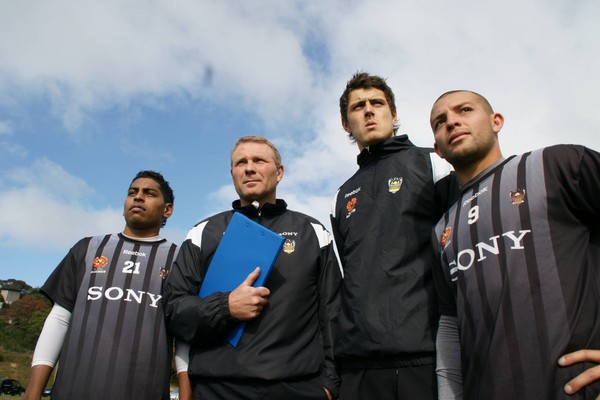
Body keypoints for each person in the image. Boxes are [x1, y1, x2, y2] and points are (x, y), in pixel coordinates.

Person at [430, 90, 600, 399]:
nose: (452, 122)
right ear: (437, 149)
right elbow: (450, 324)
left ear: (496, 121)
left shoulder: (558, 165)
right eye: (440, 121)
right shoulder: (442, 230)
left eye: (464, 110)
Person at [162, 135, 342, 400]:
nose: (249, 168)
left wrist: (329, 385)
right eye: (240, 162)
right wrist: (226, 307)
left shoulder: (313, 232)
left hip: (297, 389)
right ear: (232, 173)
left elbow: (333, 313)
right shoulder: (203, 233)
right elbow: (173, 309)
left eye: (259, 160)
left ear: (279, 172)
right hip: (218, 390)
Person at [330, 72, 458, 400]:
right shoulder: (343, 195)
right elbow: (350, 276)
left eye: (377, 103)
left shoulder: (433, 165)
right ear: (346, 124)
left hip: (422, 359)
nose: (369, 111)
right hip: (357, 366)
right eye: (359, 107)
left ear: (394, 113)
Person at [23, 170, 191, 400]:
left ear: (167, 209)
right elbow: (60, 319)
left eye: (149, 193)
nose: (138, 197)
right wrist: (33, 392)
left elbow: (183, 333)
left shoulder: (179, 259)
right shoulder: (87, 249)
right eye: (132, 192)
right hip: (72, 391)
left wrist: (185, 393)